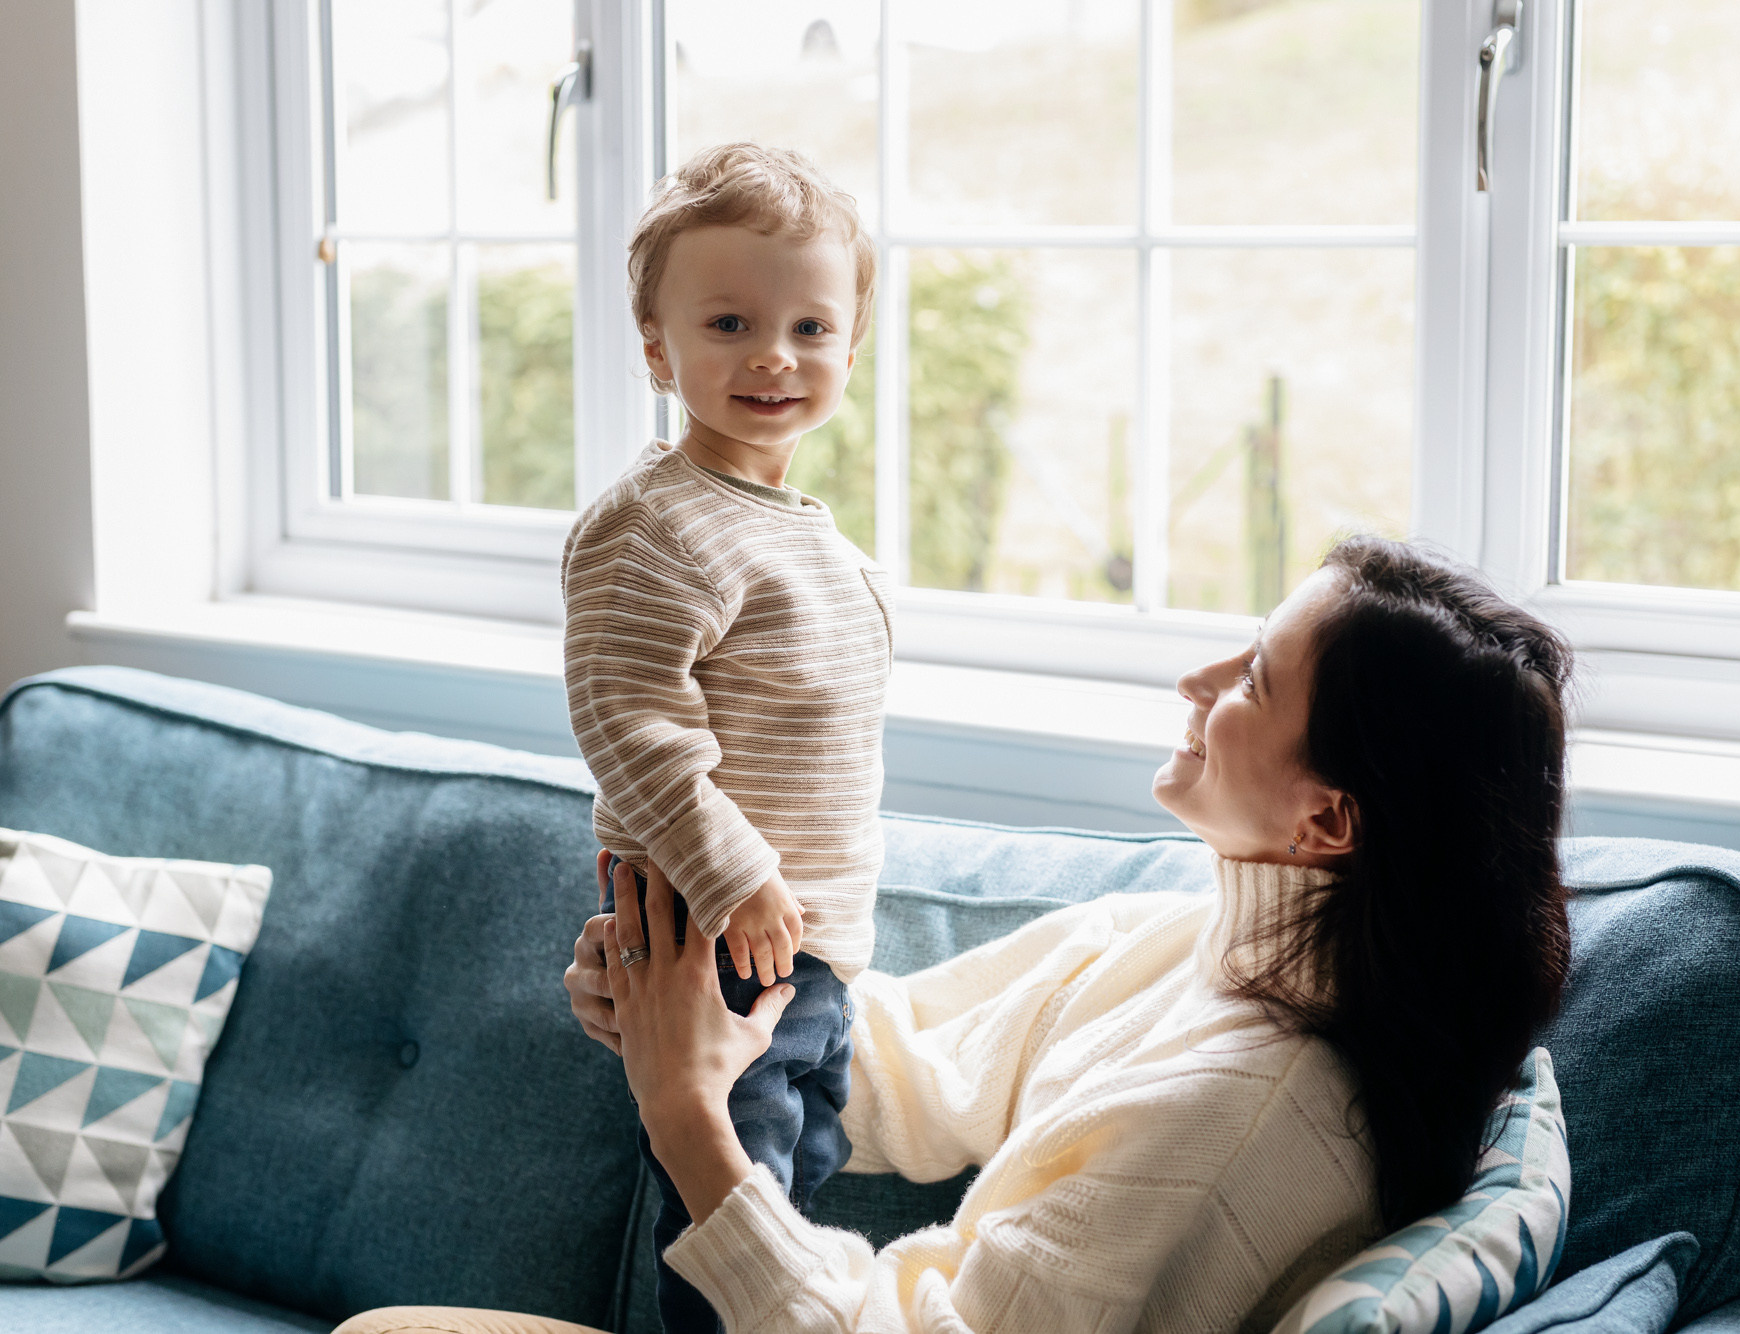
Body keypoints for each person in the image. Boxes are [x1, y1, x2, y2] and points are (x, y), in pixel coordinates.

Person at [337, 536, 1574, 1334]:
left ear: (1327, 820)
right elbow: (901, 1063)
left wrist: (690, 1114)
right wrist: (711, 1008)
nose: (1198, 677)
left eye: (1254, 676)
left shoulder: (1239, 1115)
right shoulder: (1178, 941)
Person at [560, 141, 891, 1334]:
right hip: (716, 936)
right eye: (729, 322)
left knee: (788, 1202)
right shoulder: (654, 527)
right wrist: (736, 870)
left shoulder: (805, 532)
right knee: (726, 1224)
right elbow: (630, 721)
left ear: (851, 345)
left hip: (807, 950)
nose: (773, 355)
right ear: (657, 346)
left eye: (810, 326)